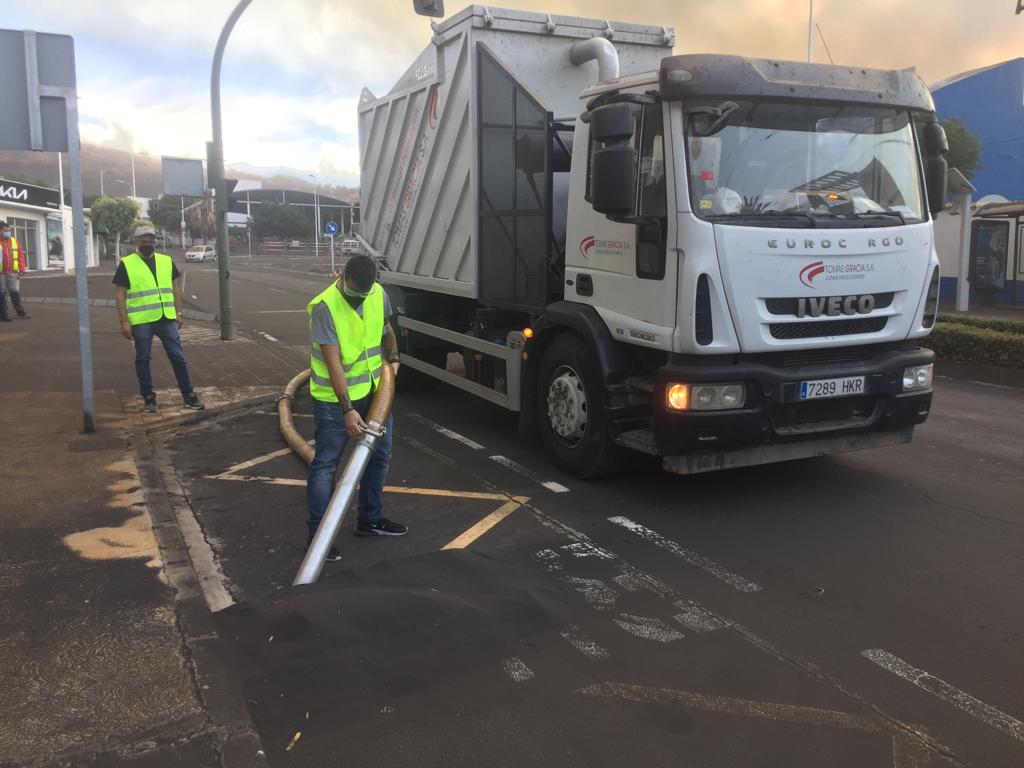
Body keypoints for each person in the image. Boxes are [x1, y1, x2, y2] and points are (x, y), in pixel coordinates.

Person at [305, 254, 406, 562]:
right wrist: (347, 408)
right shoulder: (325, 306)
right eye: (356, 291)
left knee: (379, 455)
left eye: (366, 291)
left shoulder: (377, 292)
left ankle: (370, 520)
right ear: (343, 277)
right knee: (326, 465)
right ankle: (317, 537)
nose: (362, 296)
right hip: (334, 400)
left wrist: (394, 358)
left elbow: (385, 329)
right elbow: (333, 361)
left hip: (375, 392)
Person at [113, 226, 204, 413]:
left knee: (177, 357)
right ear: (136, 242)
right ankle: (148, 398)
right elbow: (120, 294)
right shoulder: (127, 264)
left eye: (151, 241)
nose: (148, 244)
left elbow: (175, 288)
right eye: (143, 241)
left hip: (167, 318)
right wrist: (124, 321)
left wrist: (178, 313)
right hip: (141, 321)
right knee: (143, 358)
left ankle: (188, 395)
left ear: (156, 242)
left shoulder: (166, 261)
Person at [0, 221, 30, 321]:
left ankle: (20, 313)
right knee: (1, 294)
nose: (8, 232)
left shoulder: (14, 241)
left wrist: (22, 269)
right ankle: (3, 315)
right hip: (1, 274)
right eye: (5, 230)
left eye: (9, 230)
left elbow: (20, 255)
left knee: (15, 292)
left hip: (12, 272)